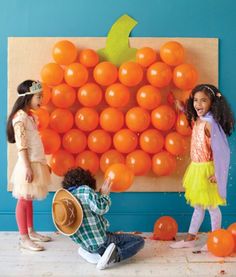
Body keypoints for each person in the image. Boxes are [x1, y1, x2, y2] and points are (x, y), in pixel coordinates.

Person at [170, 84, 235, 250]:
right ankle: (191, 238)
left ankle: (216, 239)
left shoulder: (211, 124)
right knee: (198, 206)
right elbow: (192, 117)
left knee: (212, 207)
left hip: (208, 171)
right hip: (197, 169)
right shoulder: (199, 120)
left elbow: (223, 151)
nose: (198, 104)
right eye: (196, 100)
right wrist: (182, 107)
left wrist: (218, 174)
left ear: (212, 103)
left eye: (203, 100)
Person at [52, 167, 145, 270]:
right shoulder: (85, 190)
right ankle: (114, 256)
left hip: (86, 244)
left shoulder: (66, 200)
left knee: (108, 237)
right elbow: (100, 208)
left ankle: (88, 252)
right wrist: (104, 195)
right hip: (102, 242)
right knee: (138, 241)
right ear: (88, 181)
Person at [7, 80, 51, 251]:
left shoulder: (30, 117)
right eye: (38, 96)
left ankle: (31, 231)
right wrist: (27, 167)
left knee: (29, 199)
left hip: (36, 161)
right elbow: (22, 145)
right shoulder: (20, 118)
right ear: (28, 97)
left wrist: (43, 163)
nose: (41, 99)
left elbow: (35, 143)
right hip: (28, 163)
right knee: (23, 199)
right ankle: (24, 237)